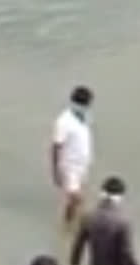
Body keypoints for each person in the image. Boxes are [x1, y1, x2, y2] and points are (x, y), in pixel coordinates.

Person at [52, 85, 94, 225]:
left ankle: (73, 220)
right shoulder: (63, 121)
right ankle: (68, 224)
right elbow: (56, 146)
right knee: (76, 198)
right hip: (69, 165)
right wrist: (55, 171)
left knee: (77, 198)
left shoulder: (85, 117)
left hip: (83, 163)